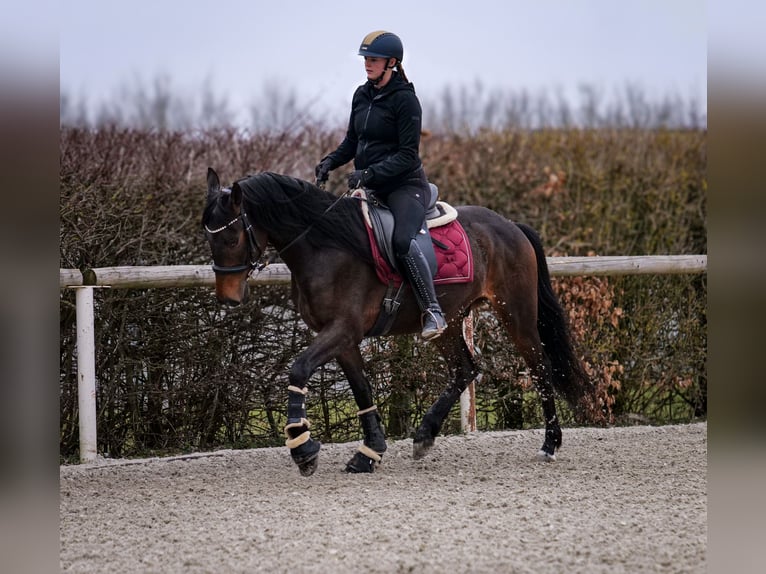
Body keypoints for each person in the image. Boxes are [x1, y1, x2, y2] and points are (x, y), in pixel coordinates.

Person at [315, 30, 447, 340]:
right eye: (365, 59)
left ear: (391, 62)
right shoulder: (362, 95)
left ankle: (432, 311)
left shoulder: (406, 101)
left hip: (406, 187)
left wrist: (369, 174)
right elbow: (352, 141)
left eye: (372, 60)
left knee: (402, 241)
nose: (367, 65)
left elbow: (406, 155)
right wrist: (330, 161)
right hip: (372, 188)